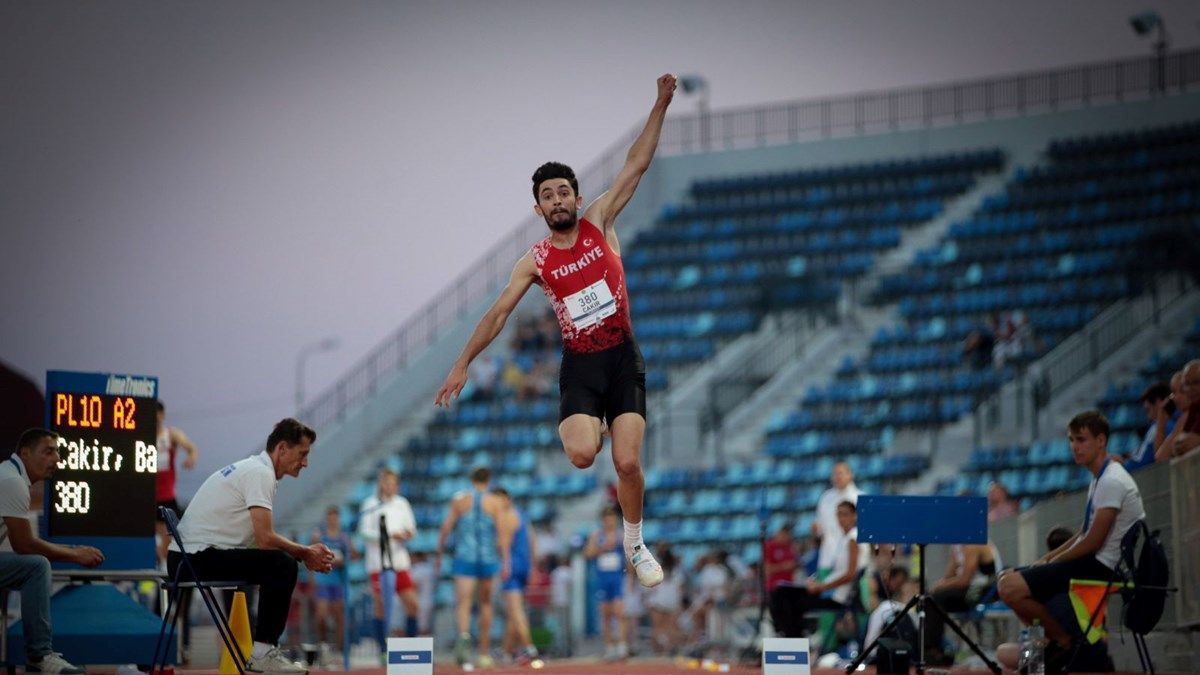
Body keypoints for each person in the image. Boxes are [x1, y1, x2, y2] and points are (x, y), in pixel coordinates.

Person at [435, 75, 681, 589]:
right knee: (581, 455)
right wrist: (462, 363)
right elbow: (498, 314)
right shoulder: (535, 262)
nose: (557, 200)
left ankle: (634, 543)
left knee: (628, 463)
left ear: (577, 195)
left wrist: (659, 103)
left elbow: (636, 164)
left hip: (622, 357)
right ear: (538, 209)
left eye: (563, 191)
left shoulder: (600, 222)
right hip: (581, 367)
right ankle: (598, 421)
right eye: (547, 196)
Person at [168, 418, 334, 675]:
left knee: (275, 564)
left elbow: (260, 541)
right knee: (283, 565)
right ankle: (263, 652)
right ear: (282, 448)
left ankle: (262, 649)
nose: (305, 463)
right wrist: (304, 552)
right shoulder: (260, 473)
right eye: (302, 454)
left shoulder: (257, 470)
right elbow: (266, 539)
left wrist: (300, 553)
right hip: (193, 558)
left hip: (193, 555)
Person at [998, 411, 1145, 671]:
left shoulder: (1112, 480)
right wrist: (1047, 560)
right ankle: (1046, 654)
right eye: (1071, 440)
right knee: (1008, 581)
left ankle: (1061, 645)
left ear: (1101, 441)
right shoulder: (1101, 478)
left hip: (1103, 566)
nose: (1074, 447)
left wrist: (1049, 563)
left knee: (1009, 587)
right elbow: (1084, 533)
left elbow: (1093, 542)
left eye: (1081, 439)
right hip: (1094, 563)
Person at [1, 429, 104, 674]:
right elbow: (24, 544)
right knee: (36, 566)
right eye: (48, 451)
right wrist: (75, 553)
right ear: (24, 453)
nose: (57, 459)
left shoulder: (7, 474)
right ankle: (40, 655)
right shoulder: (12, 482)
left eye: (57, 452)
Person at [436, 467, 513, 668]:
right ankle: (484, 653)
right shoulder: (495, 502)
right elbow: (502, 535)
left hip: (465, 558)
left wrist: (439, 555)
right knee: (486, 604)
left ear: (471, 480)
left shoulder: (460, 500)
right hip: (488, 559)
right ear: (489, 480)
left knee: (464, 603)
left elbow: (445, 529)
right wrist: (506, 562)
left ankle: (464, 636)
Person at [772, 501, 865, 640]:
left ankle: (793, 640)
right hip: (830, 589)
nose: (841, 518)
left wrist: (822, 587)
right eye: (838, 514)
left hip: (838, 595)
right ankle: (790, 638)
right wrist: (818, 583)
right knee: (780, 592)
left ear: (855, 516)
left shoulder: (853, 538)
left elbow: (851, 574)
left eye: (845, 514)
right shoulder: (844, 539)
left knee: (789, 600)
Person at [357, 468, 420, 648]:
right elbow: (363, 532)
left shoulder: (402, 503)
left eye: (393, 483)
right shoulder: (370, 504)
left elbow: (412, 529)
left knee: (413, 605)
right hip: (378, 563)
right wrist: (389, 535)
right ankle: (383, 649)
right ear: (381, 484)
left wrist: (407, 534)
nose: (390, 486)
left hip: (400, 562)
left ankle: (411, 646)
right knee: (381, 606)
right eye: (386, 482)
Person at [924, 542, 999, 665]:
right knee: (927, 599)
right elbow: (949, 575)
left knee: (937, 598)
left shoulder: (974, 544)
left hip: (983, 591)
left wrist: (941, 585)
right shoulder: (956, 546)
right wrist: (938, 586)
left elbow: (964, 580)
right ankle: (930, 647)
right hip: (965, 591)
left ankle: (934, 649)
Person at [494, 487, 540, 665]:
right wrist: (534, 567)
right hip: (524, 566)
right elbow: (532, 540)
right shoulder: (521, 515)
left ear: (507, 500)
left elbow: (504, 545)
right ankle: (506, 652)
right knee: (514, 612)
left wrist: (505, 566)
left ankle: (529, 648)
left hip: (511, 567)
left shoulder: (504, 517)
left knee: (515, 610)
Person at [154, 401, 199, 565]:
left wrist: (192, 457)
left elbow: (190, 446)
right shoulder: (141, 436)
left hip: (166, 497)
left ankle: (165, 566)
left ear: (162, 415)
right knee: (157, 542)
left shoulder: (171, 435)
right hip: (148, 497)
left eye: (158, 414)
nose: (155, 418)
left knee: (168, 540)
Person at [585, 505, 630, 660]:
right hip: (602, 579)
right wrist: (603, 547)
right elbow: (588, 554)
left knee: (619, 613)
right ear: (603, 521)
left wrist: (631, 578)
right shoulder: (597, 536)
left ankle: (622, 646)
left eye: (612, 520)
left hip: (617, 578)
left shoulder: (621, 535)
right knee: (606, 615)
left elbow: (629, 558)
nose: (609, 523)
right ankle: (610, 647)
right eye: (607, 520)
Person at [310, 506, 353, 656]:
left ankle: (340, 651)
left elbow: (353, 555)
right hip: (322, 580)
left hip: (338, 581)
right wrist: (312, 579)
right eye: (330, 517)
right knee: (321, 615)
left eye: (335, 518)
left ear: (338, 519)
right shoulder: (319, 536)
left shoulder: (343, 537)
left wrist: (343, 558)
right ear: (327, 519)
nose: (332, 520)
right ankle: (323, 644)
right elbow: (310, 557)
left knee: (339, 617)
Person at [813, 462, 861, 578]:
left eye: (841, 473)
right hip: (828, 557)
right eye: (834, 474)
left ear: (850, 475)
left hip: (852, 560)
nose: (837, 477)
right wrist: (816, 529)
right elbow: (820, 530)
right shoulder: (825, 497)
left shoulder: (860, 498)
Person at [1123, 381, 1172, 471]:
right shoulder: (1154, 427)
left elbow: (1155, 458)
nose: (1148, 416)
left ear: (1159, 402)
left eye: (1148, 410)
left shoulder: (1167, 426)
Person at [763, 524, 798, 596]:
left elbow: (794, 565)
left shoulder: (790, 547)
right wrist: (783, 566)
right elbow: (766, 569)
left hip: (789, 586)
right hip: (774, 587)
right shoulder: (770, 546)